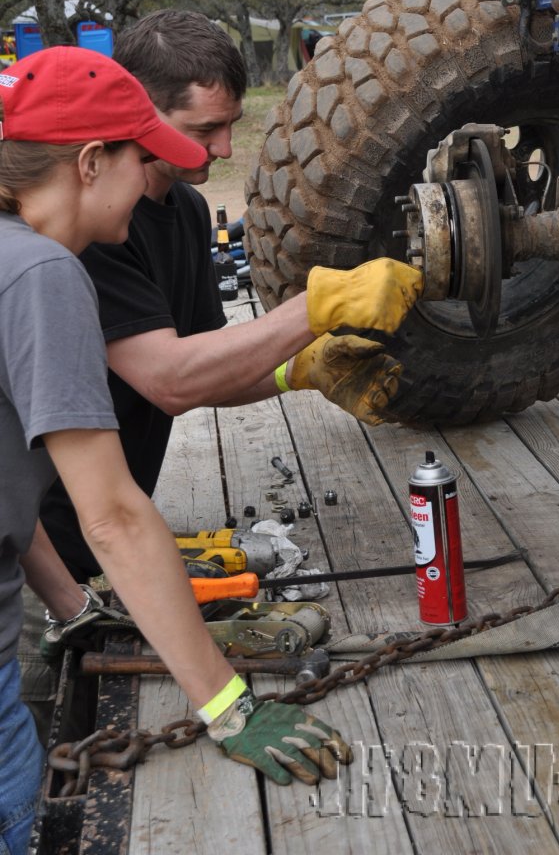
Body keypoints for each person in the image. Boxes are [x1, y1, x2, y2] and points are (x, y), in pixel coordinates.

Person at [2, 48, 417, 852]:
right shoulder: (43, 274)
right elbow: (116, 515)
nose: (160, 168)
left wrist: (71, 604)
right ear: (92, 162)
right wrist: (228, 706)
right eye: (140, 152)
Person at [40, 10, 419, 583]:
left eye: (231, 126)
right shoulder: (87, 229)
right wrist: (314, 308)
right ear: (139, 112)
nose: (222, 149)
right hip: (43, 547)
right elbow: (171, 381)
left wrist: (302, 370)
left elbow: (204, 367)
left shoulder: (187, 211)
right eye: (203, 130)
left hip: (111, 537)